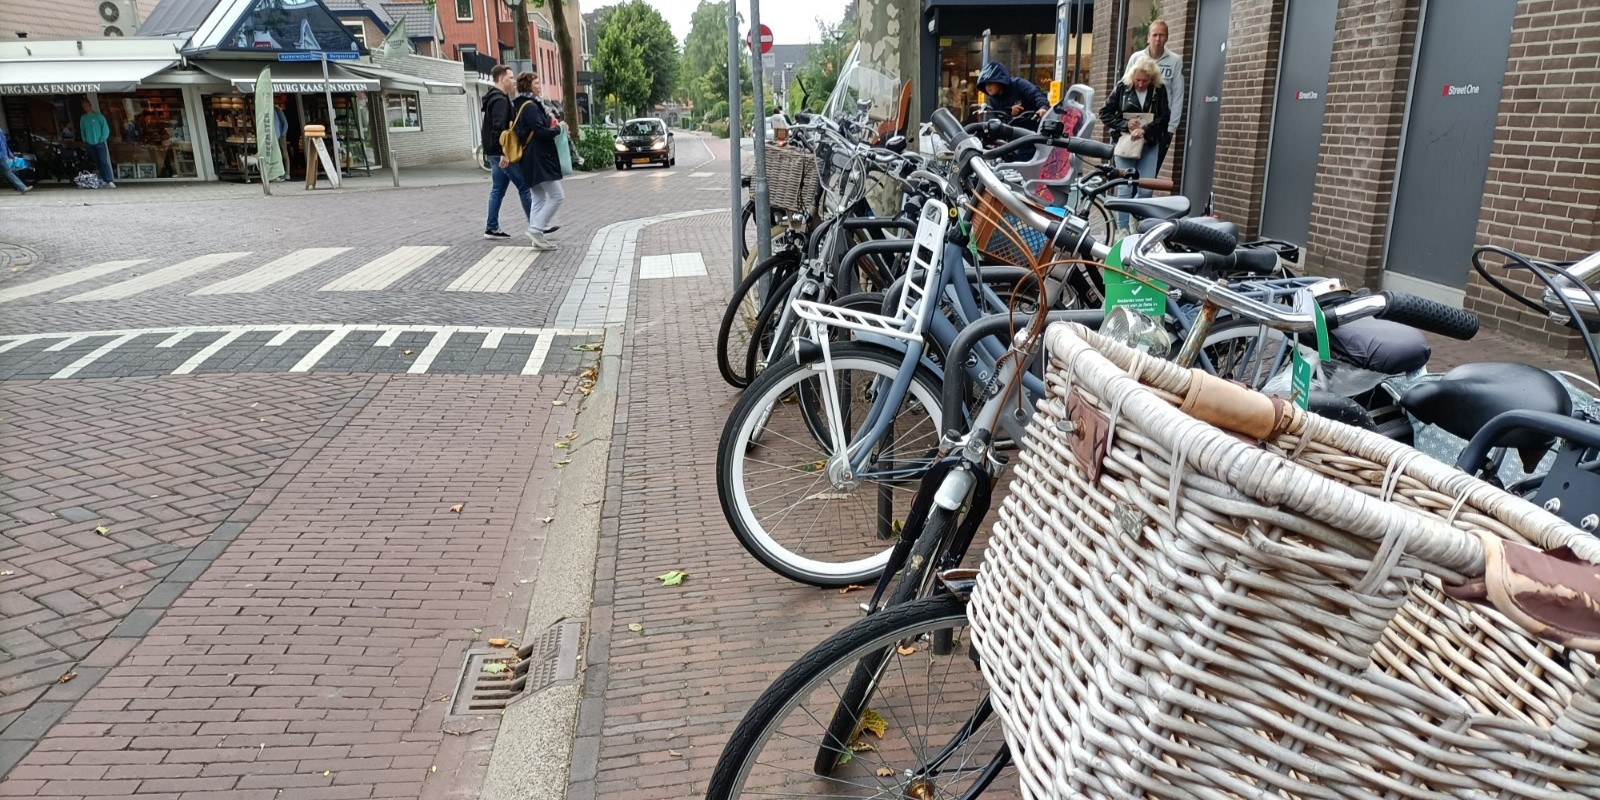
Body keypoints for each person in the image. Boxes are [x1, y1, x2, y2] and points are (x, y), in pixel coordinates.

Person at [1099, 55, 1170, 233]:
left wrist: (1145, 130)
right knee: (1125, 188)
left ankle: (1137, 220)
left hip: (1149, 143)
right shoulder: (1123, 87)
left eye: (1145, 81)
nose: (1140, 84)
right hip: (1126, 144)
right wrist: (1125, 124)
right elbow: (1104, 112)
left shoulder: (1159, 90)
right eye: (1137, 80)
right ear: (1132, 76)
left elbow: (1164, 117)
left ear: (1152, 79)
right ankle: (1122, 230)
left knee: (1146, 189)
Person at [511, 71, 566, 251]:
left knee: (538, 197)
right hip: (539, 158)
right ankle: (536, 230)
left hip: (529, 158)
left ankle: (537, 237)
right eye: (536, 83)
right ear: (528, 86)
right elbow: (541, 132)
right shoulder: (531, 107)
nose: (539, 86)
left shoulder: (520, 105)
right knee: (557, 196)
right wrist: (558, 129)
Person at [1124, 19, 1185, 174]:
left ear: (1167, 37)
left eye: (1162, 35)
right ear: (1148, 37)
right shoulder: (1135, 58)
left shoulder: (1175, 61)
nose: (1158, 39)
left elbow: (1178, 95)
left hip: (1159, 126)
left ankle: (1142, 197)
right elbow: (1124, 89)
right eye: (1155, 35)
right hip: (1136, 123)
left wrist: (1171, 127)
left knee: (1149, 175)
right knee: (1128, 172)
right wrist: (1123, 121)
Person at [481, 65, 531, 239]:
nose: (513, 81)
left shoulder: (492, 98)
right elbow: (499, 128)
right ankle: (537, 226)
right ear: (501, 78)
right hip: (502, 153)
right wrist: (504, 153)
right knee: (524, 186)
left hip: (493, 151)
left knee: (498, 189)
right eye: (510, 78)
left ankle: (491, 227)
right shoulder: (500, 100)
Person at [976, 61, 1050, 125]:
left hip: (1034, 128)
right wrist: (1011, 114)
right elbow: (1000, 121)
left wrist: (1043, 108)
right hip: (1014, 134)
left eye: (990, 83)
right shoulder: (993, 100)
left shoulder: (1018, 84)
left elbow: (1036, 94)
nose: (987, 87)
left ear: (999, 80)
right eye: (985, 84)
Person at [78, 98, 115, 188]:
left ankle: (109, 180)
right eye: (84, 106)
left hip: (99, 143)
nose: (85, 108)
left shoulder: (98, 116)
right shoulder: (83, 118)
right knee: (97, 162)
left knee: (103, 161)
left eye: (86, 106)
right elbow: (82, 130)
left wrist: (102, 139)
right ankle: (103, 179)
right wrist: (85, 139)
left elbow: (105, 128)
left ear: (90, 105)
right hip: (90, 143)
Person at [0, 127, 30, 195]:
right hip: (1, 156)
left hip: (2, 156)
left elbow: (4, 145)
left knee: (8, 172)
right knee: (8, 172)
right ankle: (22, 188)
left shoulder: (1, 131)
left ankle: (22, 188)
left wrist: (9, 154)